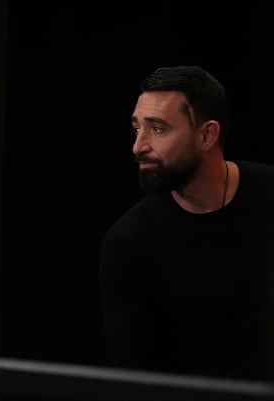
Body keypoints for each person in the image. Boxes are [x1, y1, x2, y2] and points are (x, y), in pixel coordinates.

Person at [99, 65, 274, 382]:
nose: (139, 146)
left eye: (158, 129)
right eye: (137, 128)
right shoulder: (130, 241)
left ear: (207, 135)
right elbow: (135, 379)